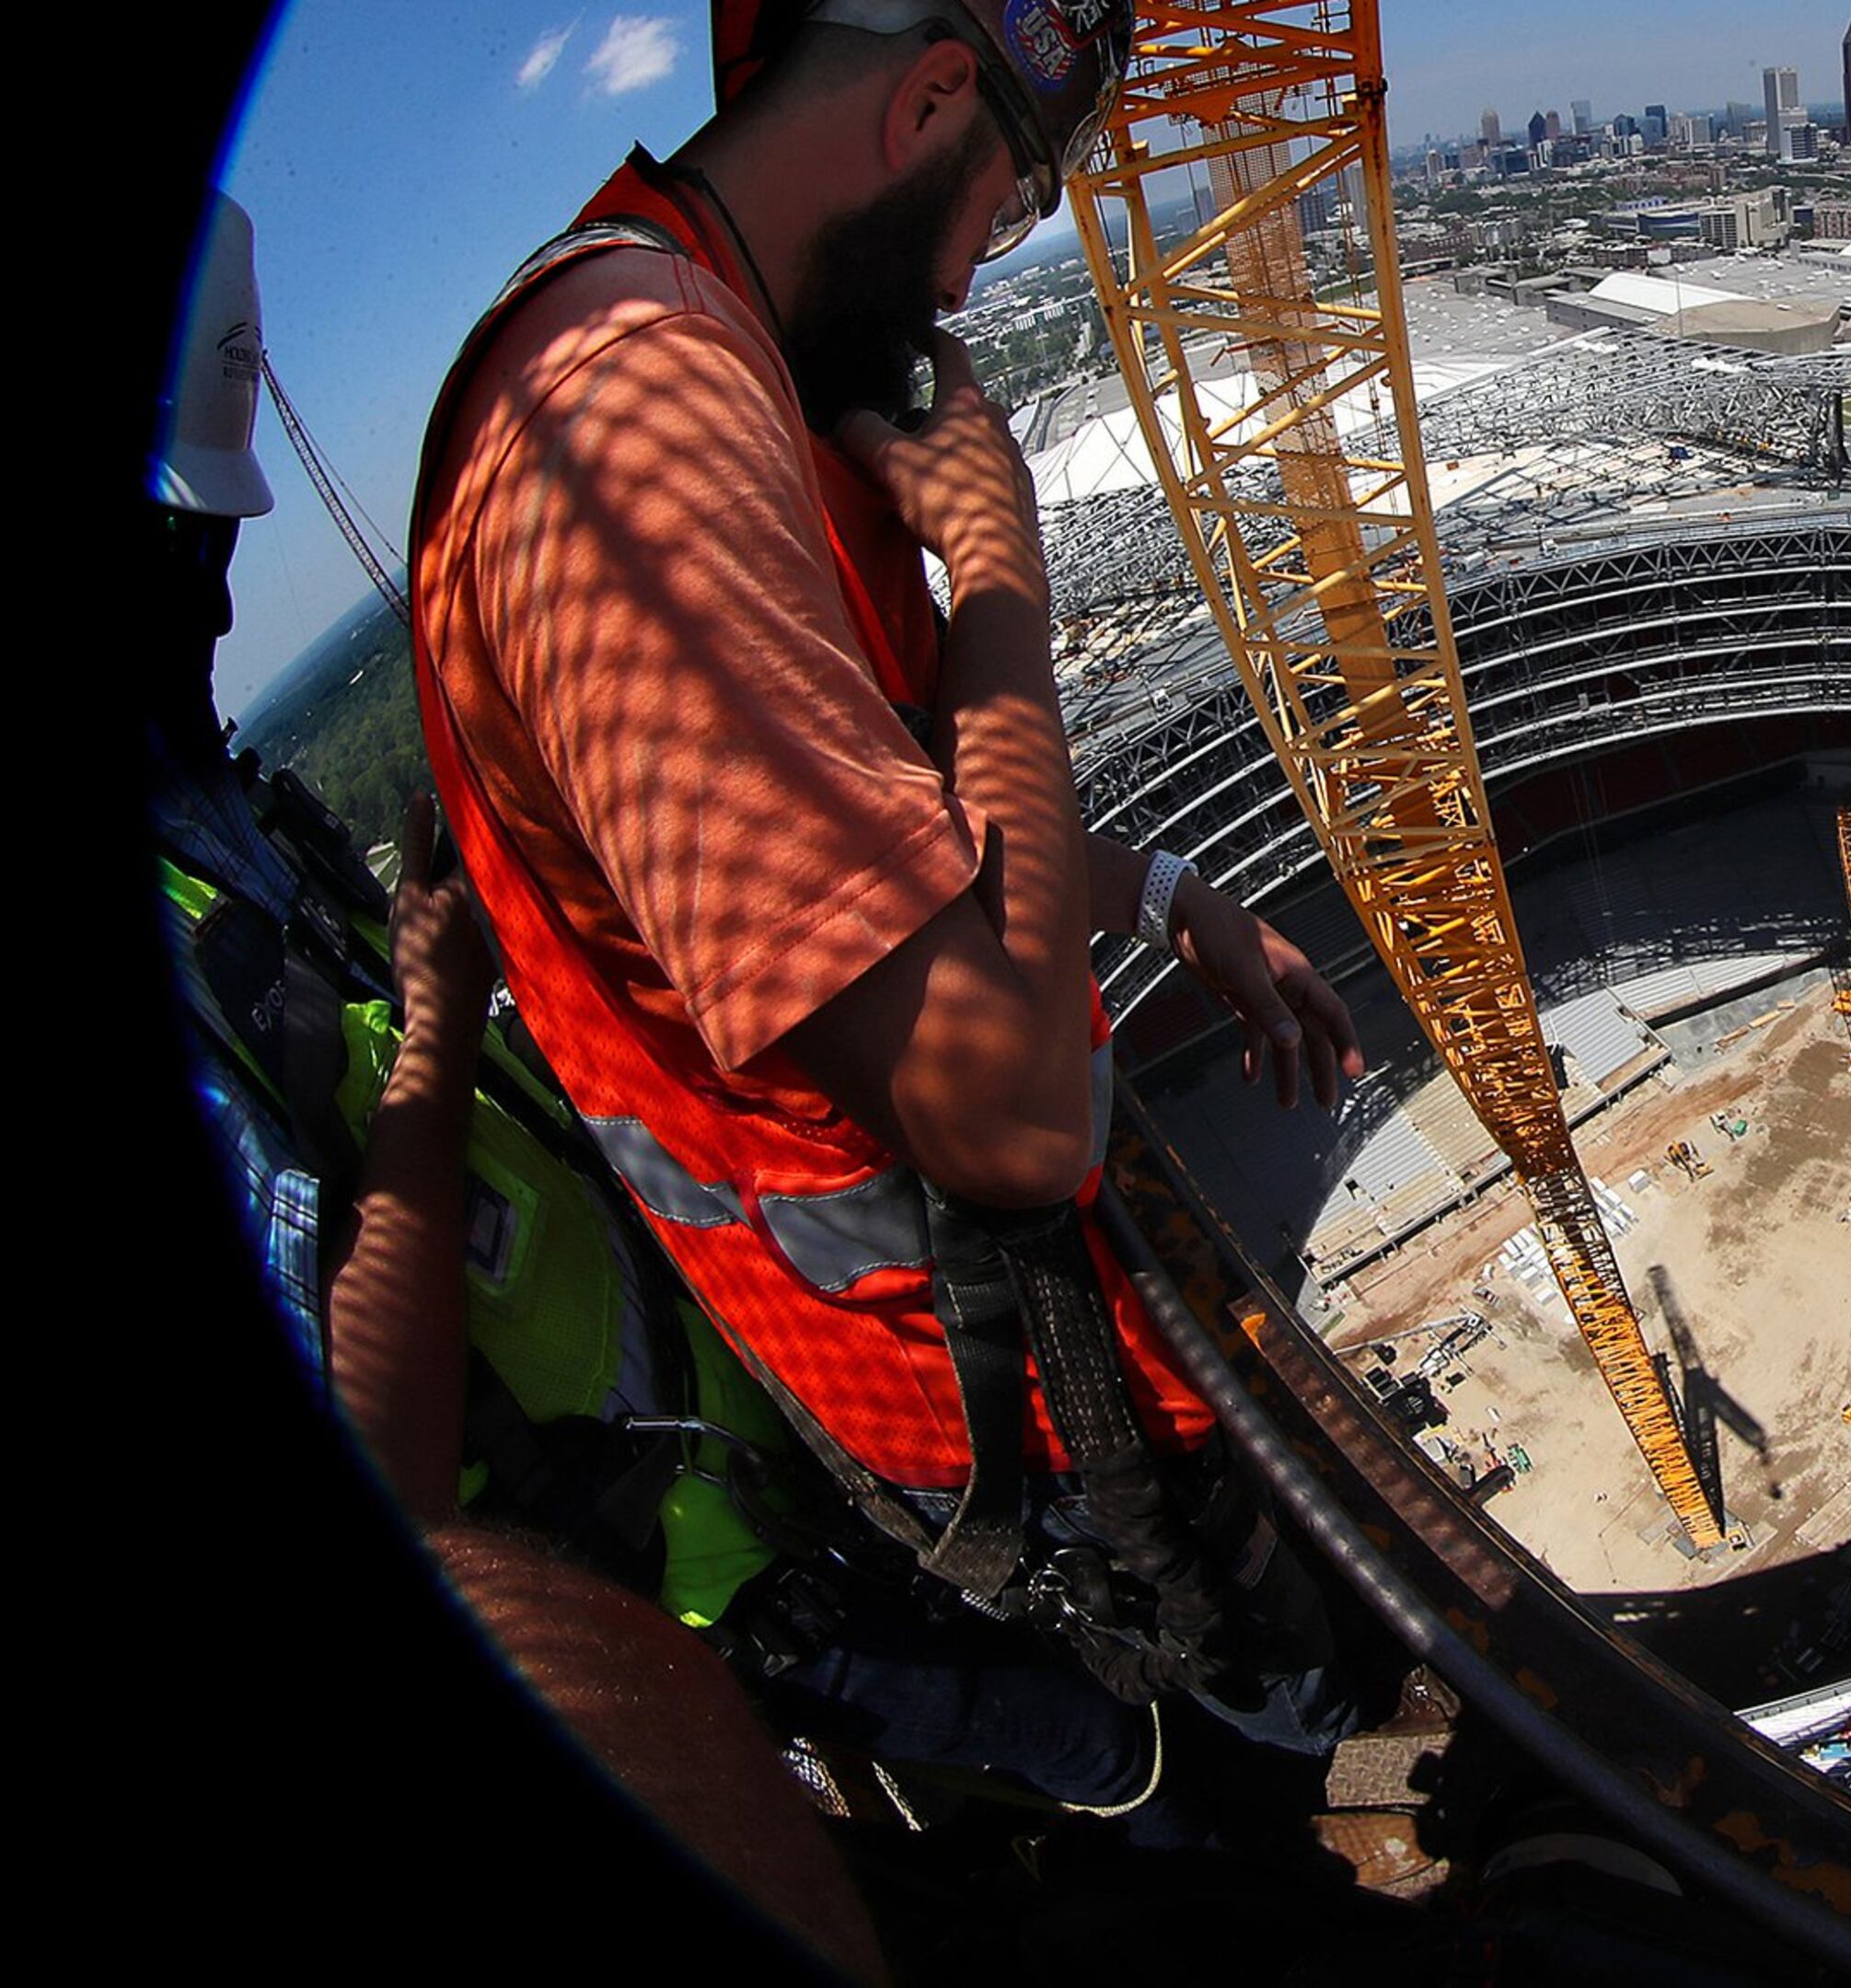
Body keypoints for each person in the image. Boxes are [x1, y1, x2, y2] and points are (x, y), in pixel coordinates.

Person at [408, 0, 1370, 1749]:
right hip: (998, 1404)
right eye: (997, 209)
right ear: (933, 91)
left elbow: (900, 829)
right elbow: (1010, 1115)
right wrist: (1000, 575)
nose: (971, 286)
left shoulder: (722, 359)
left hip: (1012, 1366)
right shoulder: (632, 424)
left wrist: (1156, 896)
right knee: (1312, 1732)